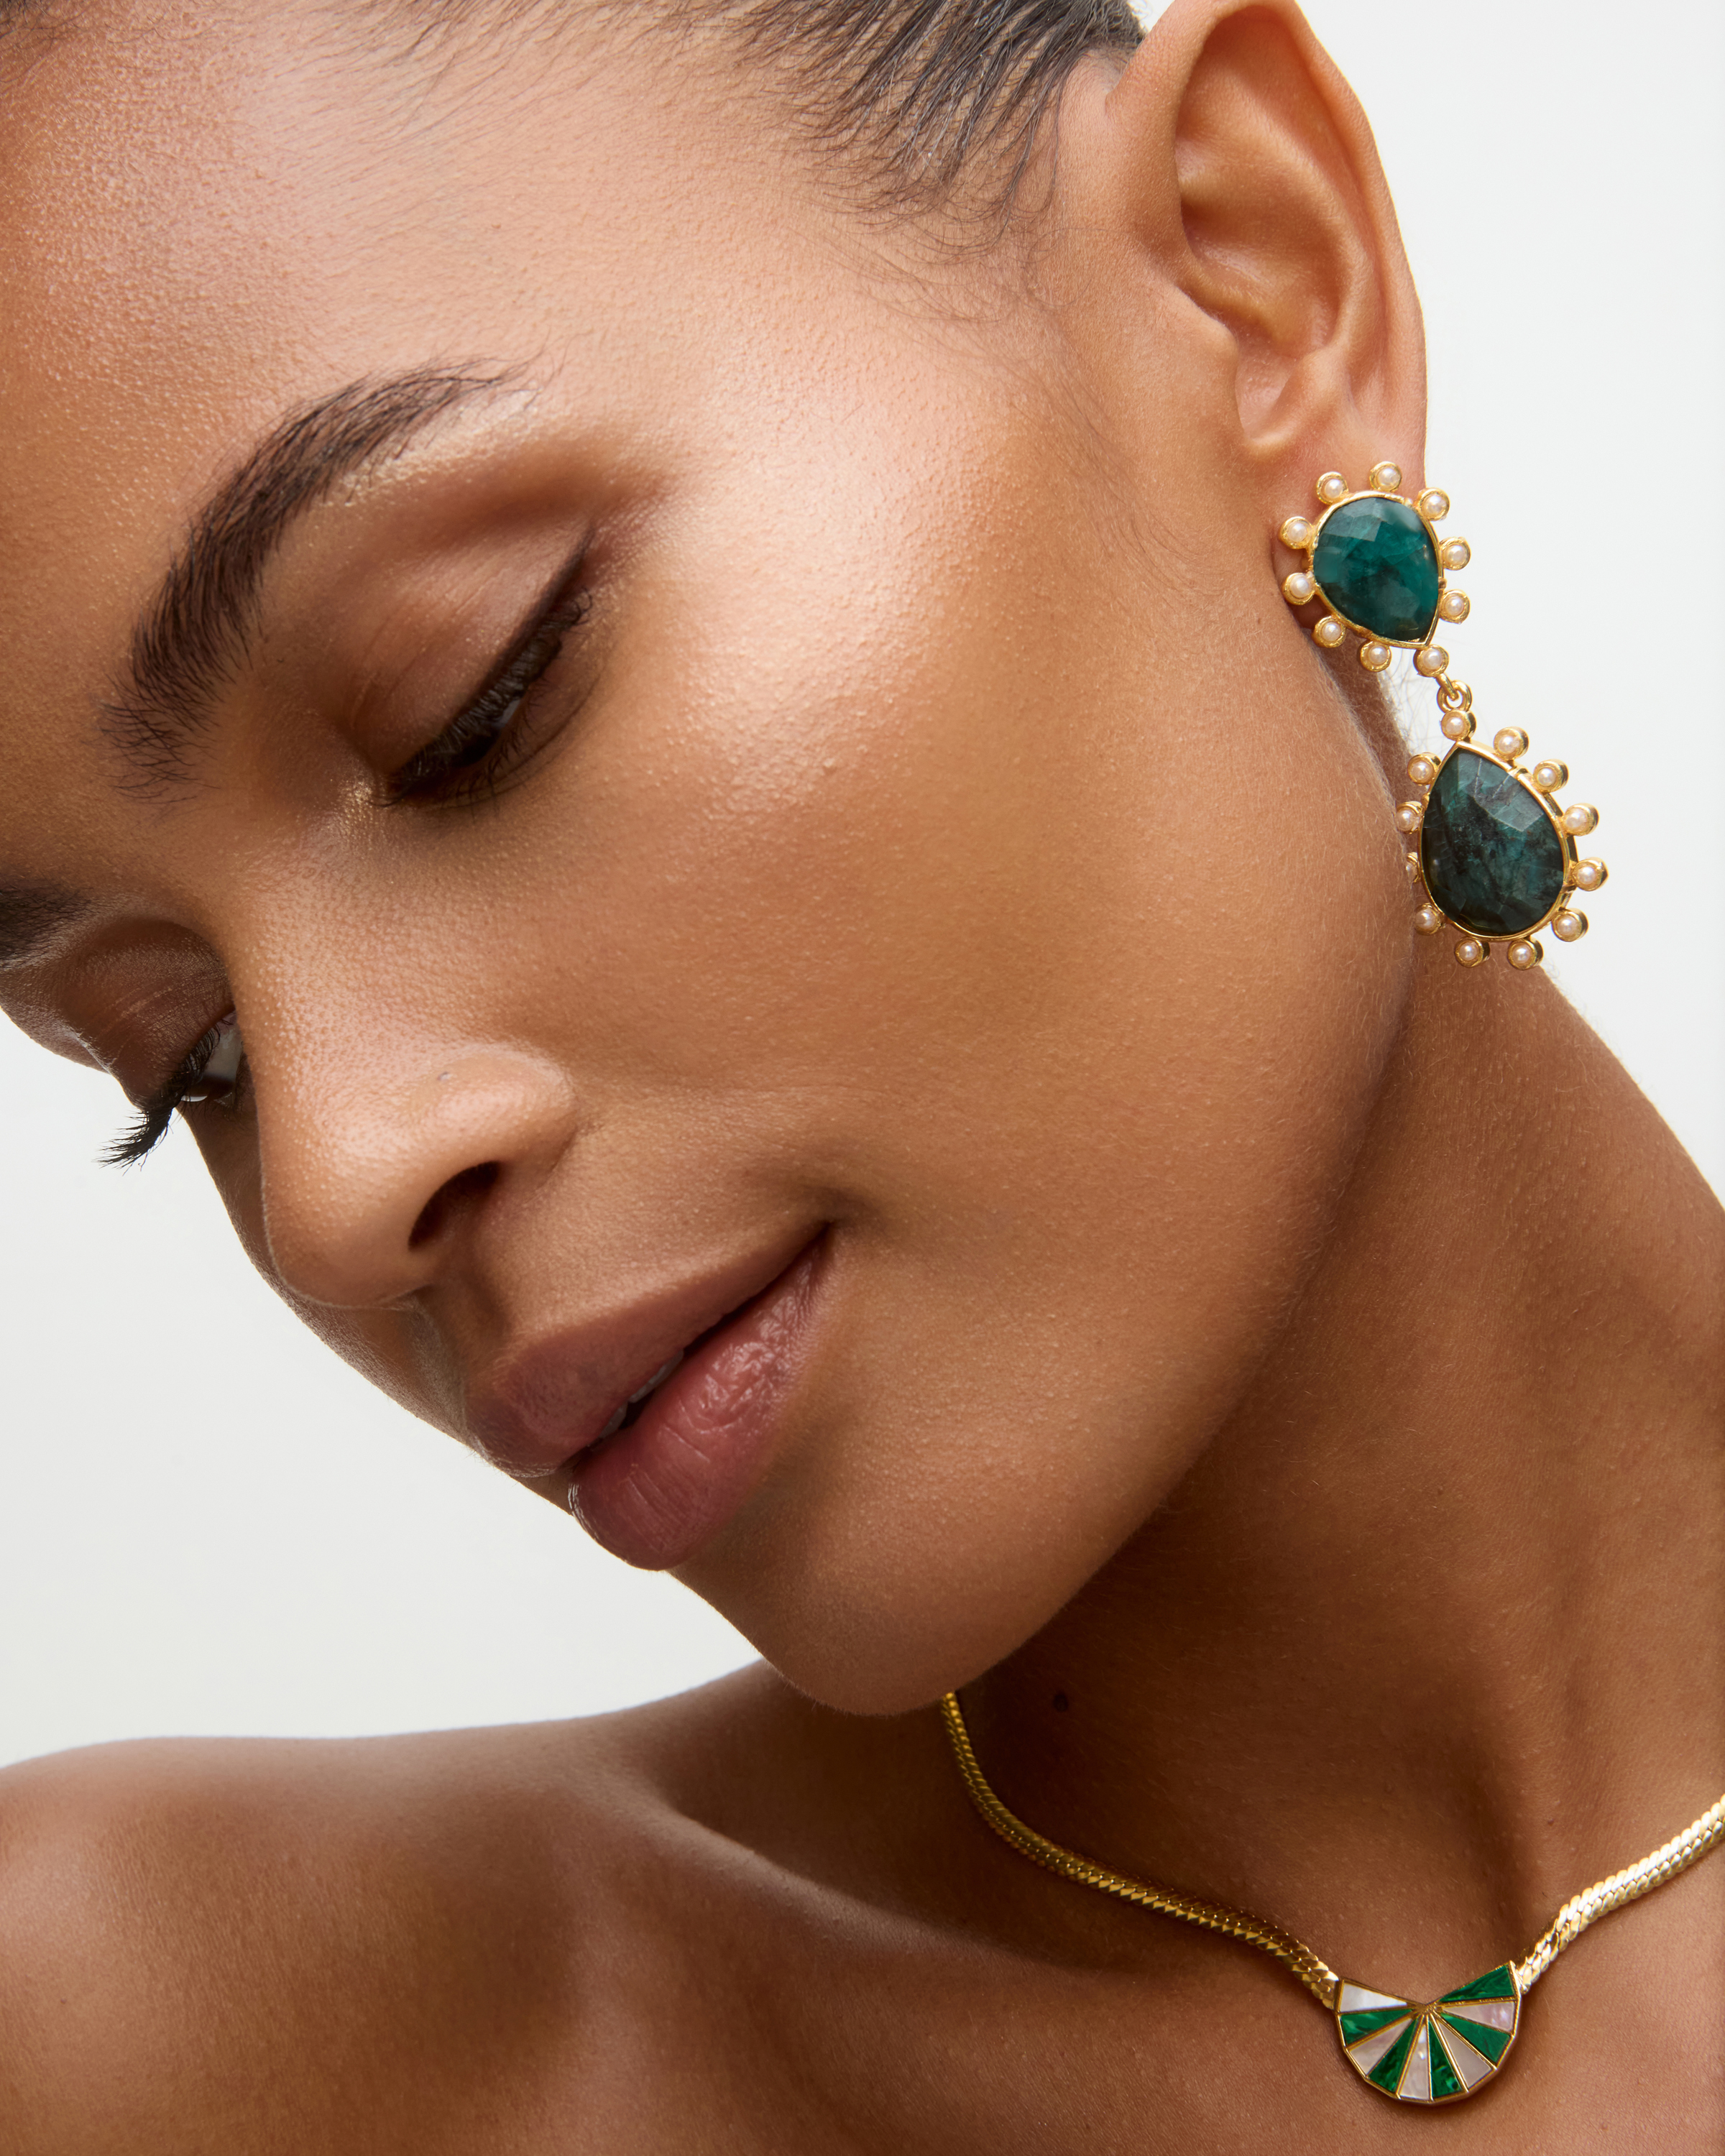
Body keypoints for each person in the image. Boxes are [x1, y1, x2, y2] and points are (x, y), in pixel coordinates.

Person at [0, 0, 1719, 2146]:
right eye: (192, 1059)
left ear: (1249, 282)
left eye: (478, 702)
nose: (335, 1185)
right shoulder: (155, 2061)